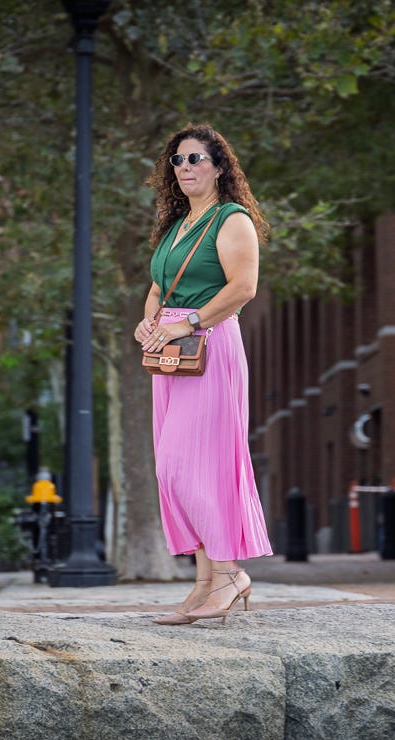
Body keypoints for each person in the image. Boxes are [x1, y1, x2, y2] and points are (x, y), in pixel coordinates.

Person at [136, 123, 273, 625]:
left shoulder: (230, 219)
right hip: (169, 353)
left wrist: (187, 323)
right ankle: (203, 582)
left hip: (209, 347)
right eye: (177, 160)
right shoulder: (176, 227)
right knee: (172, 470)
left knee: (188, 465)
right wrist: (150, 321)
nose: (185, 168)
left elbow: (244, 287)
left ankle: (230, 574)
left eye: (195, 159)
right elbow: (158, 286)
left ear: (218, 166)